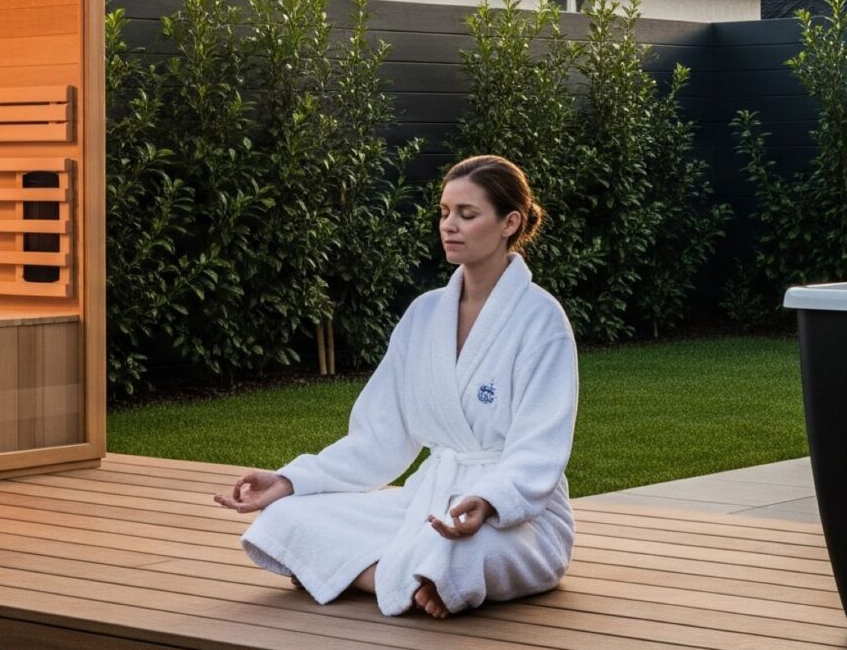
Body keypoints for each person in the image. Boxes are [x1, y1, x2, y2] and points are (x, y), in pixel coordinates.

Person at [215, 154, 579, 619]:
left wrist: (490, 501)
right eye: (444, 212)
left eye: (467, 214)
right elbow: (379, 438)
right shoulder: (425, 315)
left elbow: (540, 448)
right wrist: (291, 481)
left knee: (458, 552)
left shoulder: (540, 319)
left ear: (510, 223)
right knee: (286, 516)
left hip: (517, 516)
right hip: (429, 502)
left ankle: (364, 571)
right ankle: (410, 579)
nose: (449, 225)